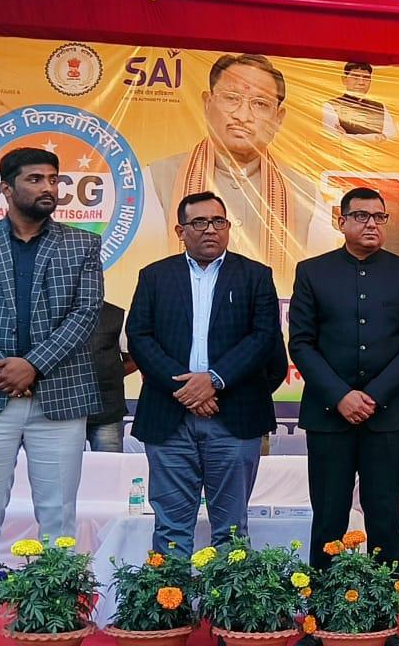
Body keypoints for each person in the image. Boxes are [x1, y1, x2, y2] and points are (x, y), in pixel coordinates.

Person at [0, 147, 103, 559]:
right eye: (35, 179)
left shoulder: (82, 243)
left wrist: (33, 366)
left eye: (53, 179)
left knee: (59, 516)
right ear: (7, 188)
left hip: (60, 395)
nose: (48, 187)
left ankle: (56, 596)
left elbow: (86, 313)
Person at [126, 192, 284, 556]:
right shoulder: (155, 276)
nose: (210, 229)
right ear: (180, 231)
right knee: (170, 528)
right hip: (169, 416)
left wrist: (213, 381)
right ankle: (171, 594)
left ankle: (228, 595)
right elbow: (140, 336)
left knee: (231, 529)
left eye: (218, 222)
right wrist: (186, 389)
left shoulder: (255, 276)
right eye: (199, 222)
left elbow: (263, 338)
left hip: (234, 416)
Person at [290, 186, 399, 573]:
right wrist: (341, 396)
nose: (372, 224)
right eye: (362, 216)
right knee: (329, 514)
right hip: (328, 414)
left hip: (387, 415)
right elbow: (301, 343)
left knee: (384, 513)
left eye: (379, 217)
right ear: (342, 222)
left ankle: (383, 601)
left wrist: (373, 396)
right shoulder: (313, 271)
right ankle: (326, 598)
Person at [148, 53, 318, 277]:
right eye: (231, 98)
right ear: (207, 103)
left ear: (278, 118)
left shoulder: (305, 194)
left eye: (260, 104)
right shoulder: (156, 179)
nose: (243, 116)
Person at [85, 301, 137, 452]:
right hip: (64, 411)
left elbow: (134, 359)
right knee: (65, 465)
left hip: (107, 411)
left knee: (109, 463)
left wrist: (111, 374)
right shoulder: (56, 314)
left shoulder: (118, 315)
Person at [322, 62, 396, 141]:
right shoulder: (332, 106)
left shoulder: (379, 107)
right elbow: (333, 137)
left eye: (366, 78)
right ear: (344, 80)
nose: (361, 83)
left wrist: (347, 136)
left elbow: (391, 136)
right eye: (355, 77)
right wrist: (374, 137)